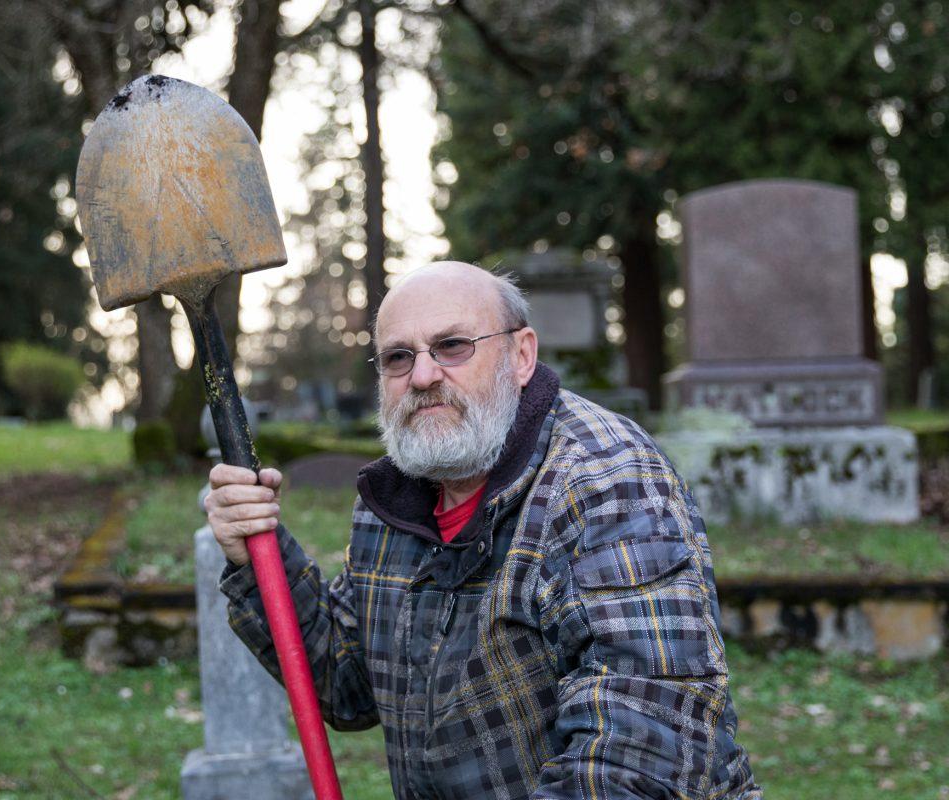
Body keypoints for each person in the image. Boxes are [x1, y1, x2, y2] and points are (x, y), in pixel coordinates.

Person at [205, 261, 761, 799]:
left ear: (521, 356)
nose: (423, 376)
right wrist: (257, 557)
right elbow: (347, 683)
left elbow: (640, 742)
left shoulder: (606, 481)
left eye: (453, 346)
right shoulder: (395, 499)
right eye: (398, 357)